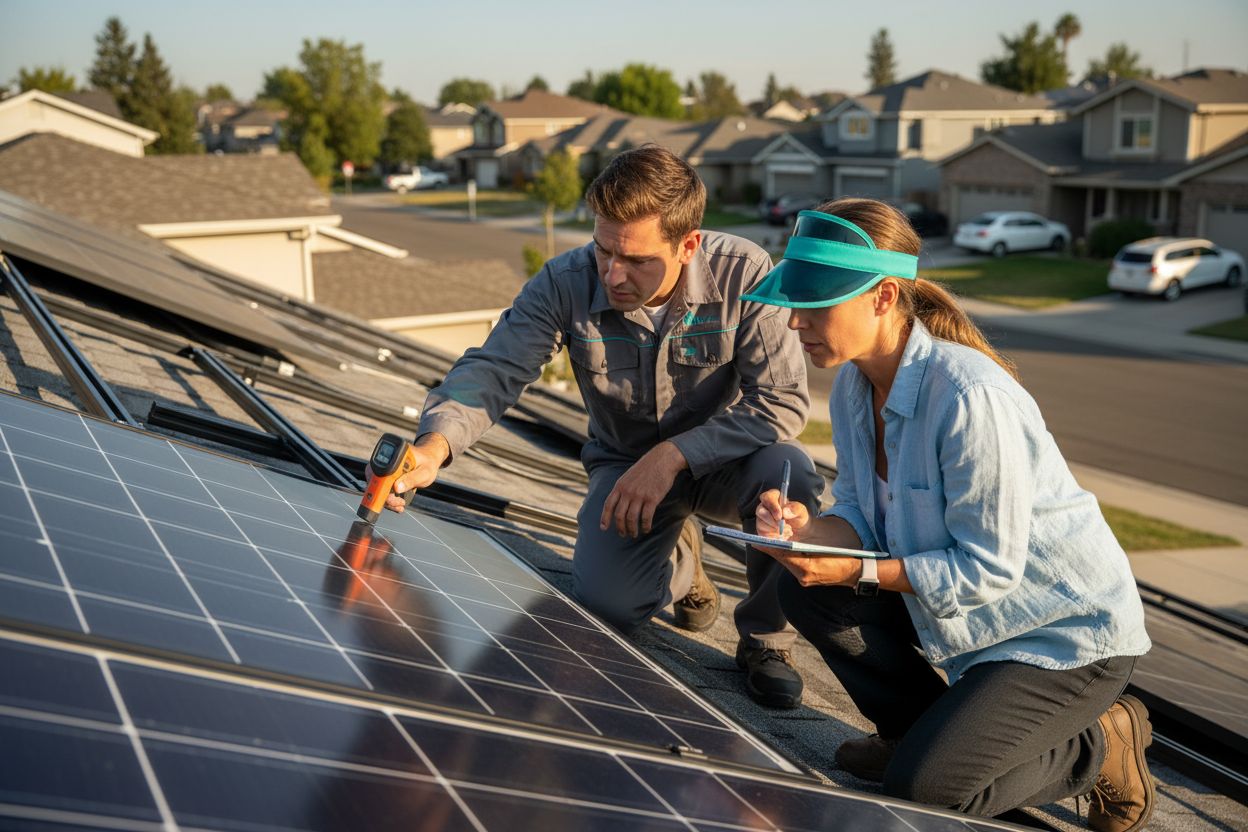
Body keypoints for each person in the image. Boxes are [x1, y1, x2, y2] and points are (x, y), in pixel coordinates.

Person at [746, 198, 1154, 830]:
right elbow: (857, 509)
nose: (795, 319)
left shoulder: (970, 397)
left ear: (883, 297)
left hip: (1062, 636)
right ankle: (909, 732)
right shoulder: (858, 384)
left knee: (928, 790)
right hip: (978, 622)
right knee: (805, 592)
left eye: (815, 301)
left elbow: (988, 570)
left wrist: (859, 573)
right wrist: (806, 531)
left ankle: (1100, 747)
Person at [380, 145, 824, 708]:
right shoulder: (564, 282)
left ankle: (766, 640)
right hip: (624, 466)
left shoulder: (745, 273)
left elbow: (782, 402)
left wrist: (671, 458)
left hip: (728, 463)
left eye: (635, 259)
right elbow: (495, 367)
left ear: (688, 245)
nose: (613, 273)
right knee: (609, 605)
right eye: (603, 249)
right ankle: (682, 561)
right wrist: (433, 446)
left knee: (790, 475)